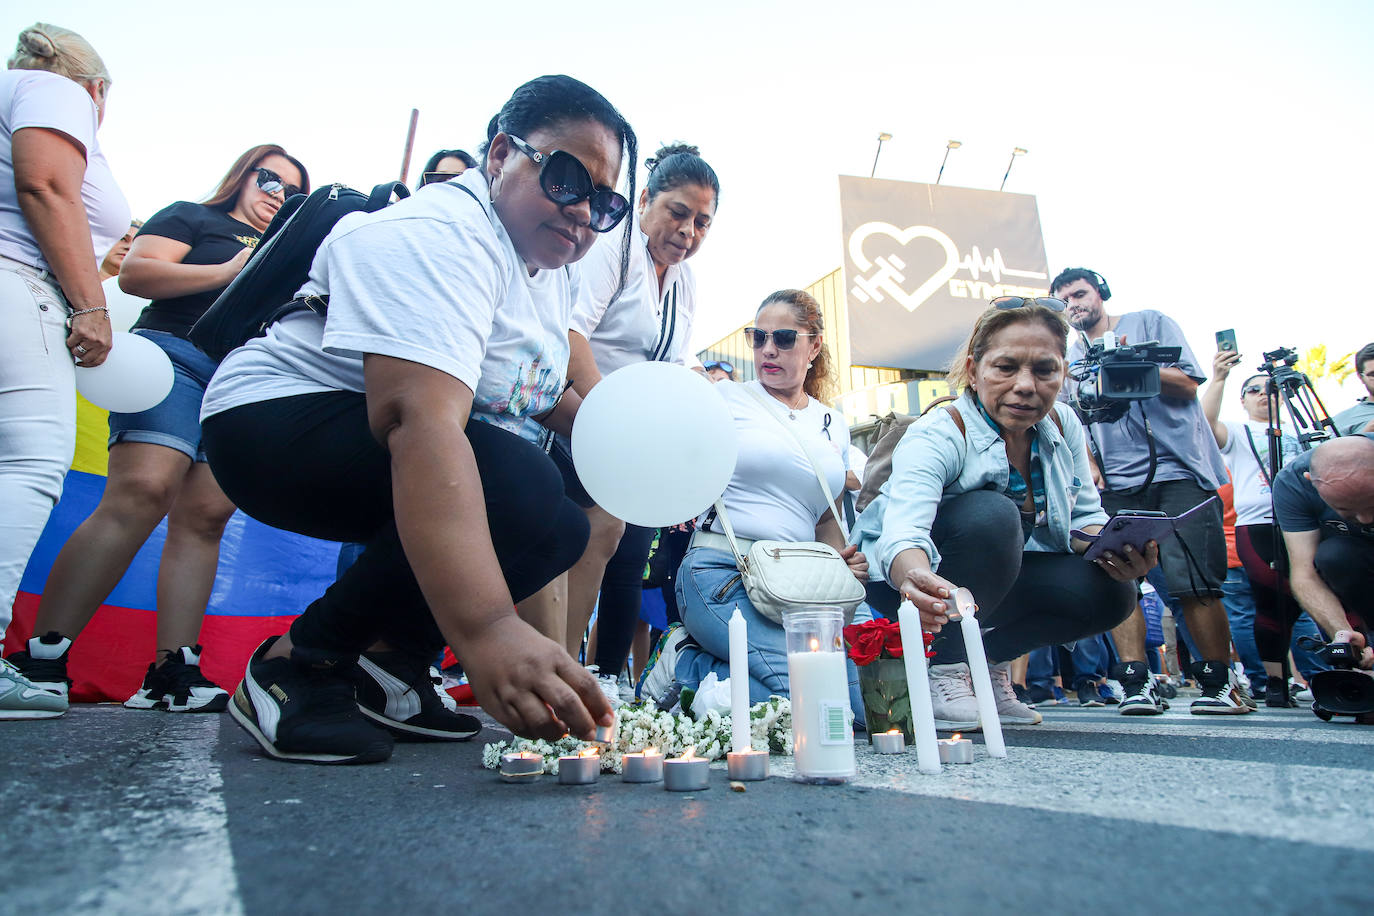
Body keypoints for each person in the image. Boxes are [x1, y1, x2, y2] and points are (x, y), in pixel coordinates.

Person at [197, 74, 634, 764]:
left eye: (605, 203)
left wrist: (631, 452)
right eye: (566, 178)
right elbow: (418, 421)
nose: (583, 211)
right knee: (518, 482)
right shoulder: (440, 233)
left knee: (560, 524)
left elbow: (534, 390)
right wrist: (489, 628)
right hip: (268, 422)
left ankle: (390, 667)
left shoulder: (549, 270)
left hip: (372, 429)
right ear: (500, 155)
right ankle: (297, 664)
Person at [7, 145, 308, 714]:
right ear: (242, 175)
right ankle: (39, 658)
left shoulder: (292, 253)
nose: (277, 194)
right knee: (143, 490)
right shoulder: (195, 217)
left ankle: (173, 673)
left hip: (240, 379)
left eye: (293, 191)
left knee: (207, 515)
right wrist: (229, 271)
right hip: (173, 355)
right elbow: (136, 276)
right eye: (269, 179)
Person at [854, 297, 1150, 729]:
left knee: (1112, 592)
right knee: (993, 514)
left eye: (1044, 369)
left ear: (1062, 372)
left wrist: (1118, 546)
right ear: (973, 371)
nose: (1026, 385)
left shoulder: (1063, 424)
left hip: (992, 586)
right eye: (1006, 367)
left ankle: (988, 668)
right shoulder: (940, 431)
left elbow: (1085, 515)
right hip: (907, 588)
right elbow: (904, 533)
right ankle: (944, 671)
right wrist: (914, 577)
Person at [537, 143, 718, 703]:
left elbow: (671, 364)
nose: (688, 231)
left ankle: (602, 675)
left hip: (633, 438)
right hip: (576, 413)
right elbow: (571, 335)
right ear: (644, 201)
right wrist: (611, 419)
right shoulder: (613, 252)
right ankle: (560, 663)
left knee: (624, 550)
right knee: (577, 538)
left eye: (703, 222)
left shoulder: (684, 282)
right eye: (678, 212)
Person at [637, 289, 868, 714]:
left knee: (856, 707)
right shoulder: (725, 400)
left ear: (814, 345)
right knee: (815, 701)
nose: (768, 350)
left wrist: (845, 559)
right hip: (723, 572)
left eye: (783, 338)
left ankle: (692, 666)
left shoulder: (832, 423)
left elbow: (826, 523)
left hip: (800, 587)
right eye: (757, 338)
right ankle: (684, 663)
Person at [0, 23, 128, 720]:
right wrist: (91, 305)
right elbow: (46, 186)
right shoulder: (55, 90)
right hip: (17, 286)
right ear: (97, 88)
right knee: (28, 463)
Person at [1054, 267, 1248, 715]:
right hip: (1115, 484)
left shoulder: (1149, 322)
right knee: (1120, 580)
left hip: (1180, 473)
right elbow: (1069, 418)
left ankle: (1219, 682)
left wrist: (1133, 369)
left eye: (1080, 294)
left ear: (1100, 293)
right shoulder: (1068, 356)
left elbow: (1188, 383)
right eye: (1065, 300)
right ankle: (1134, 683)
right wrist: (1089, 462)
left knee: (1195, 582)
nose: (1074, 305)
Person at [1272, 433, 1374, 670]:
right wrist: (1343, 635)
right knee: (1334, 555)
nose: (1366, 519)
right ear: (1312, 482)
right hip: (1355, 559)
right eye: (1347, 510)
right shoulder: (1294, 482)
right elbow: (1304, 574)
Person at [1331, 342, 1374, 436]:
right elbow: (1327, 450)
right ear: (1360, 377)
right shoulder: (1341, 421)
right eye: (1373, 374)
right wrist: (1364, 436)